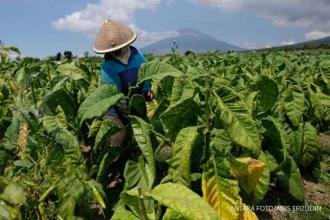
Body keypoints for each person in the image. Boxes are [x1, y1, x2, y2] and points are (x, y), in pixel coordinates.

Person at [93, 19, 153, 148]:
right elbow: (114, 95)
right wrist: (129, 113)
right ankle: (112, 163)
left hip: (136, 101)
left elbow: (147, 75)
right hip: (115, 107)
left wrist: (147, 90)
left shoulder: (138, 56)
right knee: (119, 135)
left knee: (149, 128)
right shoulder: (108, 67)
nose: (115, 51)